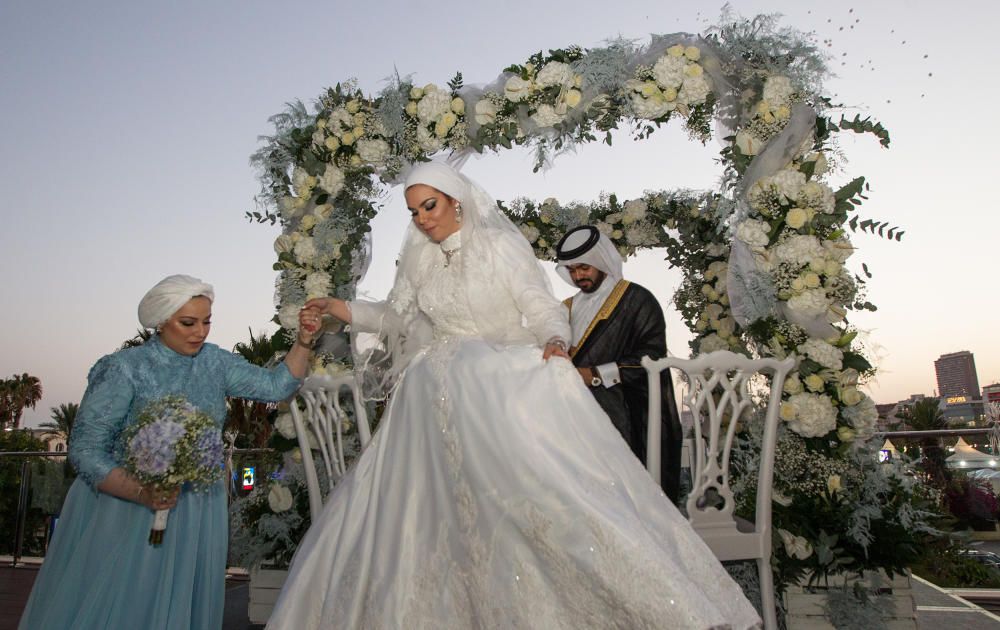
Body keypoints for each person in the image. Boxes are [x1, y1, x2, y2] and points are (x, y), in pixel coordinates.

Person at [267, 162, 760, 630]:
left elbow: (542, 306)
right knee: (425, 516)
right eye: (414, 211)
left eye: (430, 206)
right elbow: (399, 319)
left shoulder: (499, 246)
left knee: (535, 501)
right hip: (427, 397)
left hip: (490, 380)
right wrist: (342, 308)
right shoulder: (419, 259)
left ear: (456, 202)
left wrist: (555, 340)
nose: (421, 219)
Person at [18, 274, 318, 630]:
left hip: (197, 509)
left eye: (207, 322)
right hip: (127, 509)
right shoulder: (125, 368)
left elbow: (277, 385)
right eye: (188, 323)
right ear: (160, 322)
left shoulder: (216, 363)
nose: (201, 332)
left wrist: (304, 341)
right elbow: (84, 449)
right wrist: (142, 492)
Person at [555, 225, 685, 504]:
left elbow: (652, 358)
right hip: (575, 414)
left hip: (626, 413)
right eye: (572, 270)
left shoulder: (637, 300)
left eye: (584, 268)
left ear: (601, 261)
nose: (578, 276)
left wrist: (597, 375)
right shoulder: (565, 307)